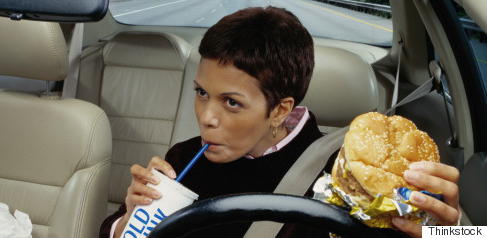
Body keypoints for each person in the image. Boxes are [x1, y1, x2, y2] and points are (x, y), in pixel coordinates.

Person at [99, 6, 461, 238]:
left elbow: (462, 235)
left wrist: (450, 233)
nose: (206, 117)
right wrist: (128, 219)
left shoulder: (348, 179)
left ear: (279, 110)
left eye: (231, 102)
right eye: (201, 92)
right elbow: (112, 231)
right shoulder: (182, 159)